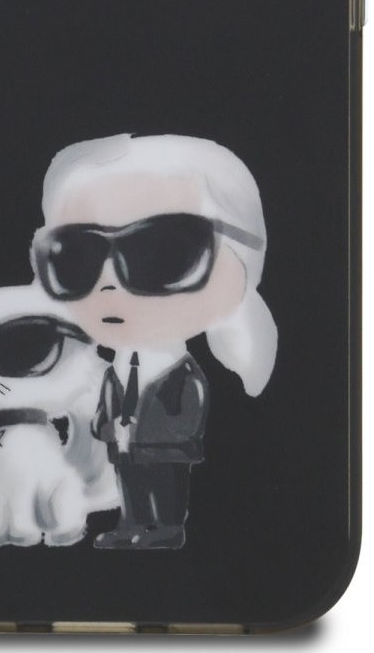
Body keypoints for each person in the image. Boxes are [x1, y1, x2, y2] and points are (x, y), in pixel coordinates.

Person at [32, 133, 278, 549]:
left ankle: (165, 527)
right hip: (124, 443)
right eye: (75, 256)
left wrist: (168, 434)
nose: (108, 283)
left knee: (163, 486)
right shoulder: (117, 364)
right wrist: (107, 427)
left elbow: (189, 401)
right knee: (129, 484)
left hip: (166, 447)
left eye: (164, 254)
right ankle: (132, 523)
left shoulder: (181, 370)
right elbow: (110, 398)